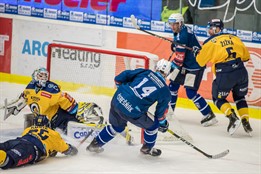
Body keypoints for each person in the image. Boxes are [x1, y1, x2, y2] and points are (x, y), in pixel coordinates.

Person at [86, 59, 172, 156]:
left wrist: (122, 92)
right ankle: (147, 148)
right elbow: (160, 115)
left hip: (117, 99)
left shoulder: (145, 72)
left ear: (156, 67)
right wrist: (163, 124)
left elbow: (119, 78)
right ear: (168, 73)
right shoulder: (165, 91)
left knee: (116, 127)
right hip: (133, 111)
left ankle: (95, 144)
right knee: (153, 126)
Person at [194, 19, 253, 135]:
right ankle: (245, 120)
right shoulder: (235, 38)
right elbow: (246, 57)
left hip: (225, 74)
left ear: (218, 29)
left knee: (218, 99)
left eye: (211, 28)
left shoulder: (210, 42)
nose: (209, 30)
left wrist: (197, 53)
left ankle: (232, 117)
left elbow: (200, 62)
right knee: (240, 97)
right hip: (241, 71)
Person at [5, 67, 103, 133]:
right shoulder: (30, 88)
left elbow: (64, 99)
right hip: (53, 121)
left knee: (77, 114)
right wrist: (16, 107)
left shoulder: (50, 89)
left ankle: (86, 124)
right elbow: (24, 98)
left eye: (45, 76)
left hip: (52, 119)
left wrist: (75, 110)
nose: (43, 78)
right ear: (35, 76)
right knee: (74, 122)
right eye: (40, 75)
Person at [167, 13, 217, 127]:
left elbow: (179, 59)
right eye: (171, 24)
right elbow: (182, 49)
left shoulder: (182, 35)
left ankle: (209, 114)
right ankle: (170, 112)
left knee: (190, 92)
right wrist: (175, 46)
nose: (172, 27)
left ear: (180, 23)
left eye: (175, 24)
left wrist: (168, 69)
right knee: (173, 85)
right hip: (186, 65)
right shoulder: (182, 30)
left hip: (194, 67)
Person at [0, 115, 78, 169]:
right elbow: (66, 149)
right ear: (48, 124)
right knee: (8, 161)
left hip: (17, 141)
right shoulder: (53, 134)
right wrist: (73, 150)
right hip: (31, 148)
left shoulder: (29, 128)